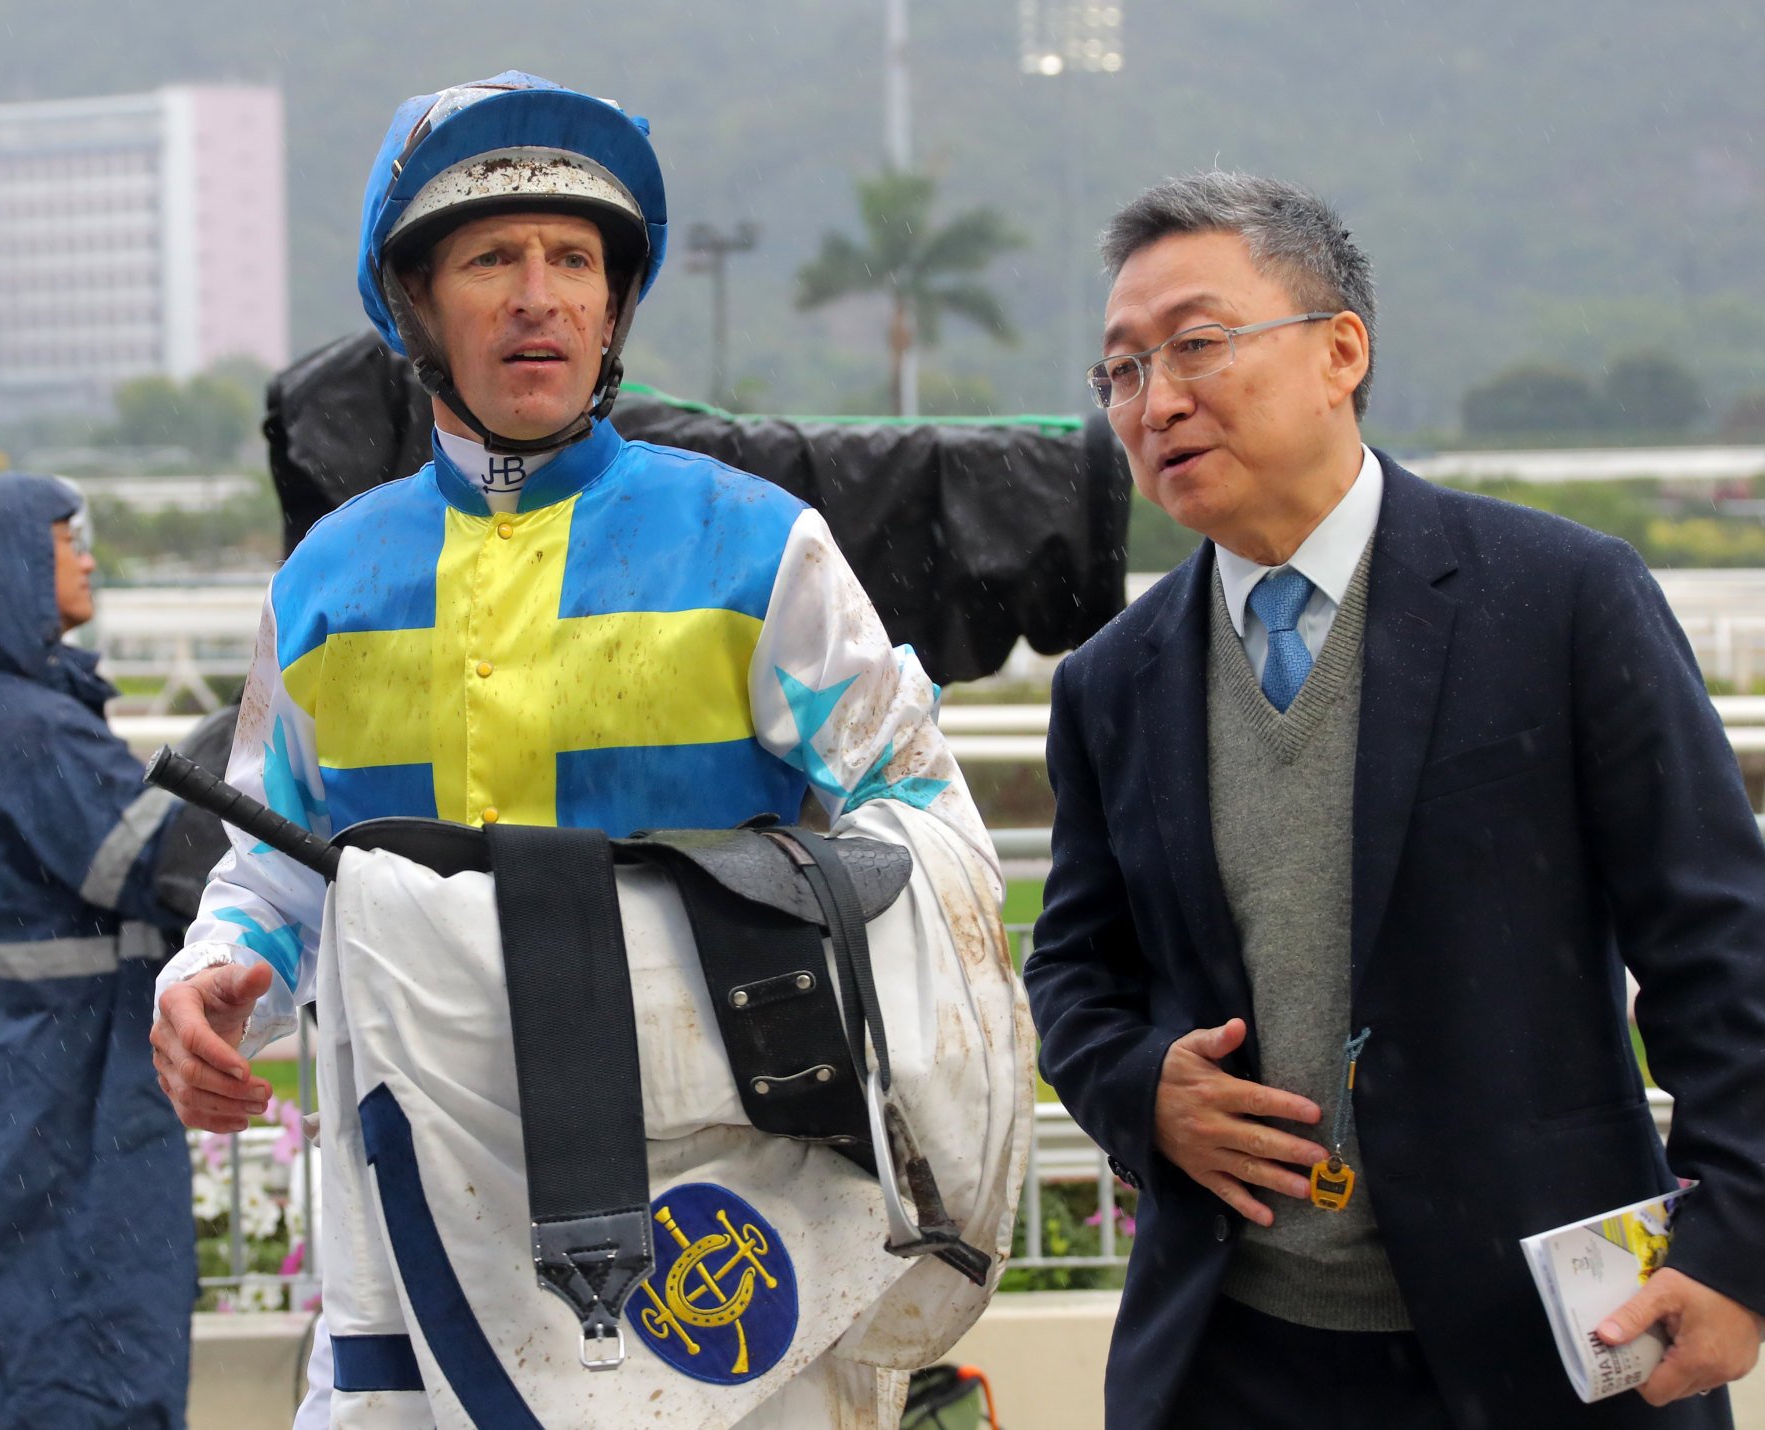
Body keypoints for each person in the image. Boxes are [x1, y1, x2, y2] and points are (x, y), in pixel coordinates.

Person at [150, 72, 1010, 1427]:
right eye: (492, 258)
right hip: (417, 1204)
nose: (537, 292)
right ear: (420, 309)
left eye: (574, 260)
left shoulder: (759, 543)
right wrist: (218, 974)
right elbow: (273, 864)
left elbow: (929, 832)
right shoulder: (322, 583)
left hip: (729, 1207)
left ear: (615, 308)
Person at [1023, 170, 1765, 1429]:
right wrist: (1138, 1083)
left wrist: (1736, 1244)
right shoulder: (1111, 680)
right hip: (1233, 1352)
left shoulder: (1557, 598)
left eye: (1195, 345)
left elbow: (1719, 945)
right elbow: (1072, 966)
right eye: (1121, 372)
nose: (1157, 401)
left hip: (1545, 1336)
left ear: (1337, 352)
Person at [0, 474, 195, 1429]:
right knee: (76, 1333)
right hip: (56, 1091)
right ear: (14, 563)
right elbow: (157, 859)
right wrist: (260, 741)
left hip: (1, 1081)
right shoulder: (27, 725)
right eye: (70, 541)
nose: (89, 560)